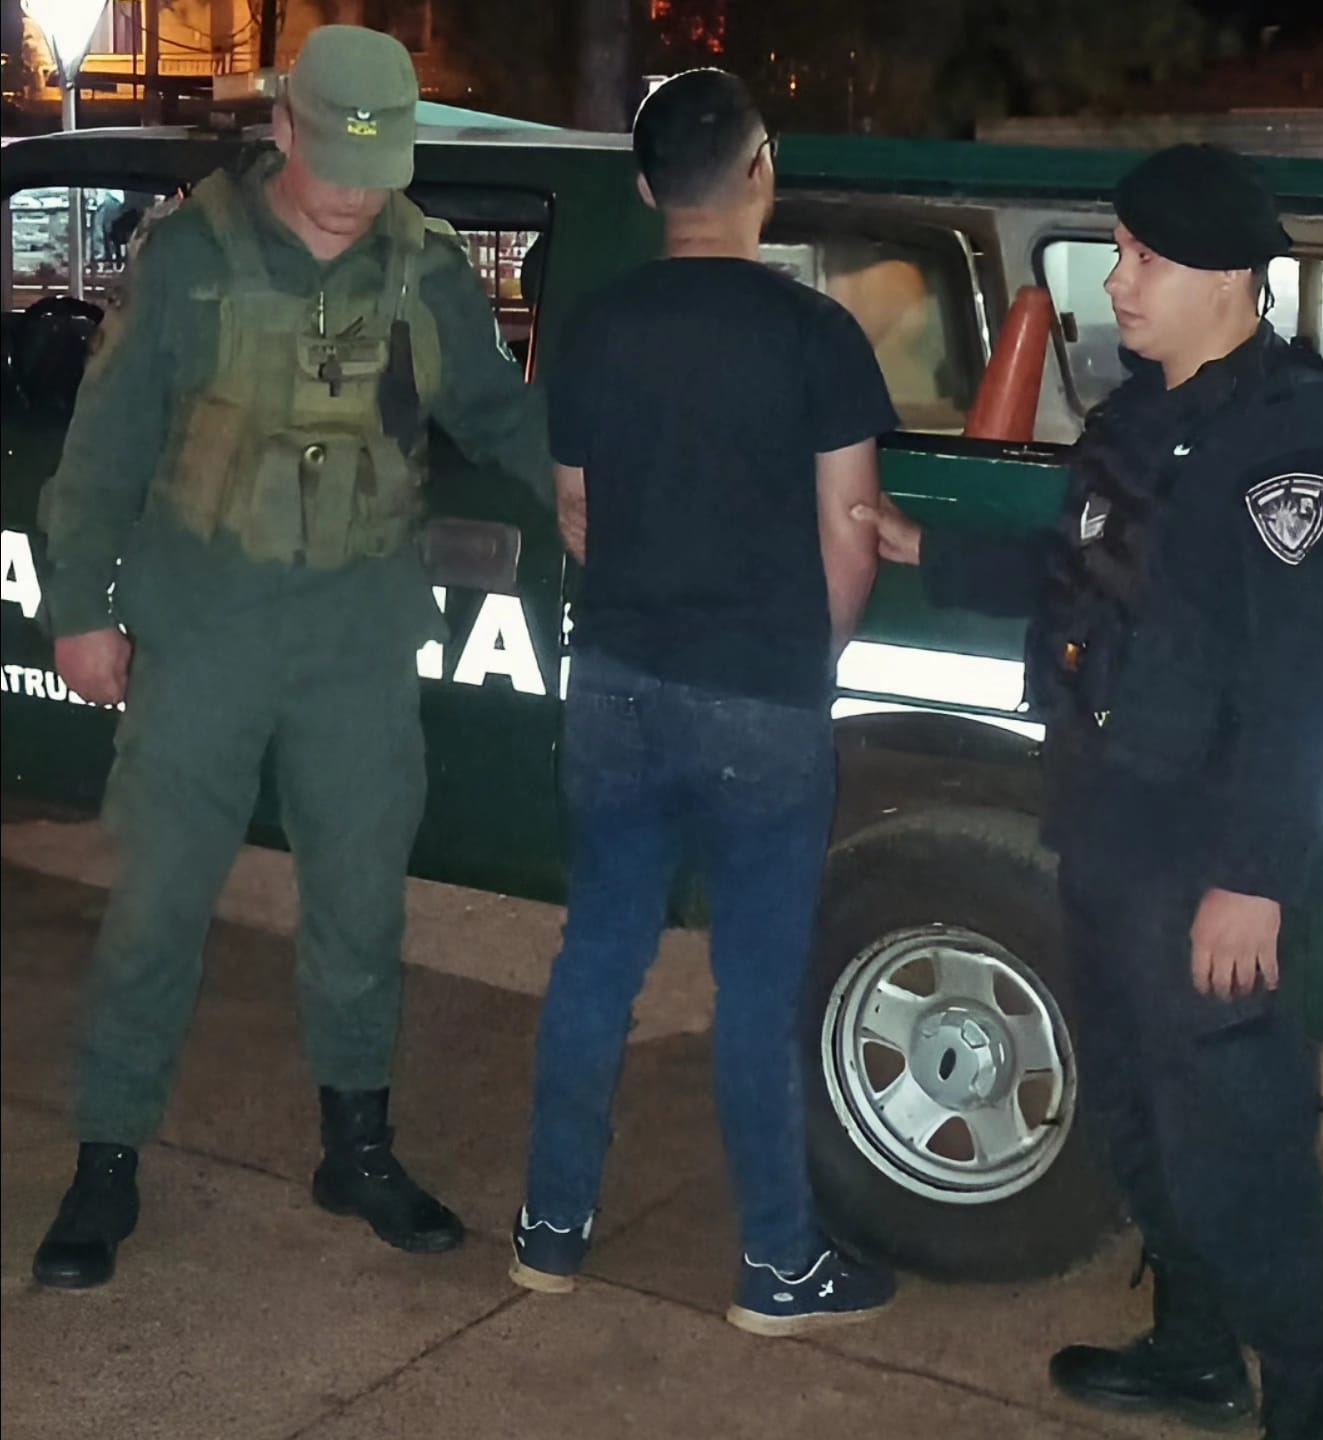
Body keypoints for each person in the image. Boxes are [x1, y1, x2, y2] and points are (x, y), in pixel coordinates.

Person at [855, 145, 1323, 1438]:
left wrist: (1254, 880)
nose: (1116, 279)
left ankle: (1301, 1396)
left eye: (1143, 257)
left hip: (1209, 851)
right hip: (1108, 824)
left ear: (1228, 275)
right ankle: (1195, 1351)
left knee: (1240, 1146)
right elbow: (1078, 575)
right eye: (1120, 252)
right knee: (1136, 1119)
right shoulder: (1137, 420)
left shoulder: (1299, 443)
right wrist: (929, 549)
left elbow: (1310, 686)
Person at [32, 24, 550, 1290]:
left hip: (357, 636)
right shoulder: (190, 258)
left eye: (381, 170)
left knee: (362, 902)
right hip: (204, 631)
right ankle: (107, 1157)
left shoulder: (425, 265)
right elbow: (103, 446)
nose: (358, 196)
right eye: (337, 165)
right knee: (157, 903)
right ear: (282, 131)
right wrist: (79, 608)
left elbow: (498, 413)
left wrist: (597, 491)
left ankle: (357, 1146)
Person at [511, 68, 899, 1337]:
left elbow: (577, 515)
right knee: (757, 986)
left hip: (616, 681)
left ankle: (549, 1230)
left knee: (597, 956)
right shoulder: (817, 335)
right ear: (761, 169)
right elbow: (851, 532)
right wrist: (802, 655)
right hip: (760, 696)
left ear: (644, 188)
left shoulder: (595, 330)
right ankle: (777, 1265)